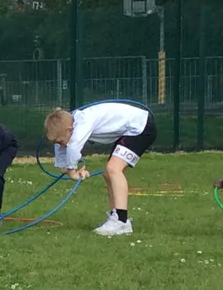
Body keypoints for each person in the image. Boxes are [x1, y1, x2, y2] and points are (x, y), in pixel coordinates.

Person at [43, 101, 157, 236]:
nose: (61, 145)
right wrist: (66, 169)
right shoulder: (69, 126)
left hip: (140, 128)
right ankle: (117, 217)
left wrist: (73, 171)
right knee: (108, 174)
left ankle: (121, 221)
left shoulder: (82, 122)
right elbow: (62, 148)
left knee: (113, 169)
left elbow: (73, 146)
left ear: (69, 130)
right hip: (130, 129)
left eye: (61, 141)